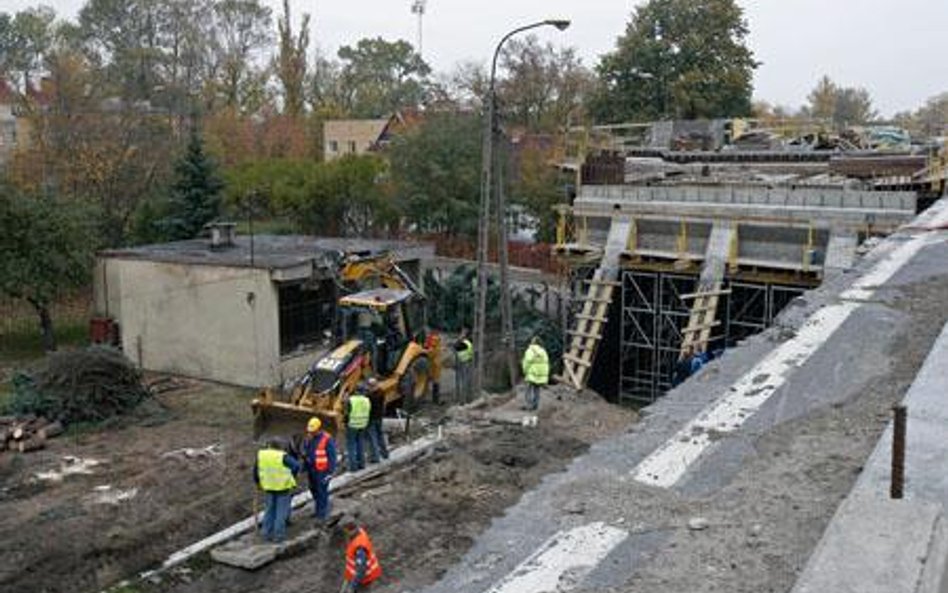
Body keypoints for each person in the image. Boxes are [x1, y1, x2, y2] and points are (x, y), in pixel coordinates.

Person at [253, 437, 301, 543]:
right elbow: (297, 466)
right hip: (282, 487)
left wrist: (257, 482)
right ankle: (278, 536)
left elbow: (256, 470)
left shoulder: (262, 455)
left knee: (269, 510)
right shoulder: (282, 456)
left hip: (269, 486)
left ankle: (265, 533)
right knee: (281, 512)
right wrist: (291, 474)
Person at [301, 416, 337, 523]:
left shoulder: (327, 439)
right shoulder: (309, 439)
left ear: (319, 429)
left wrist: (330, 472)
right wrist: (304, 466)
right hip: (312, 470)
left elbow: (332, 456)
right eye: (310, 431)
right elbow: (307, 453)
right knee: (314, 489)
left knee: (322, 491)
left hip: (323, 471)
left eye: (313, 431)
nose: (311, 433)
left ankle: (322, 514)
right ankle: (318, 510)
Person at [340, 517, 382, 593]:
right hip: (354, 576)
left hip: (363, 580)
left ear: (347, 530)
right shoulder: (359, 532)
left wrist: (353, 586)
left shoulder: (360, 547)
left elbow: (361, 569)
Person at [345, 384, 372, 472]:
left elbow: (347, 412)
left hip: (352, 425)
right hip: (363, 424)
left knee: (351, 445)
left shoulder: (351, 400)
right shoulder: (367, 400)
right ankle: (362, 464)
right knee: (360, 444)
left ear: (356, 391)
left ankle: (353, 467)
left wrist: (345, 422)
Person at [520, 336, 550, 411]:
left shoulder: (530, 351)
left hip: (531, 373)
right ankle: (535, 405)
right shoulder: (543, 351)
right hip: (540, 375)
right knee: (536, 390)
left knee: (528, 390)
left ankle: (529, 405)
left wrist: (525, 371)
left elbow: (526, 362)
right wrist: (544, 375)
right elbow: (546, 364)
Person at [365, 378, 389, 464]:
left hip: (371, 419)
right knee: (380, 435)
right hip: (379, 417)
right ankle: (385, 454)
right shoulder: (381, 392)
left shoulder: (369, 396)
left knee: (372, 438)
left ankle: (375, 458)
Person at [453, 327, 474, 403]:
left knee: (463, 382)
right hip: (467, 362)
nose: (461, 334)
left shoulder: (464, 343)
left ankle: (462, 400)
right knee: (466, 381)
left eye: (463, 333)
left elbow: (455, 346)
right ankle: (466, 398)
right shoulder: (469, 341)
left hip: (463, 363)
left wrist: (460, 338)